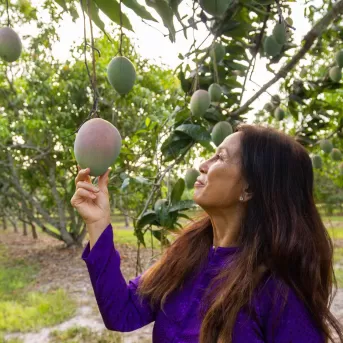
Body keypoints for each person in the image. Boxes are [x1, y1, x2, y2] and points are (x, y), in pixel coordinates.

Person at [71, 124, 343, 343]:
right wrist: (98, 224)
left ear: (249, 189)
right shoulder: (189, 255)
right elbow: (122, 312)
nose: (203, 164)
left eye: (220, 157)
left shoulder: (278, 292)